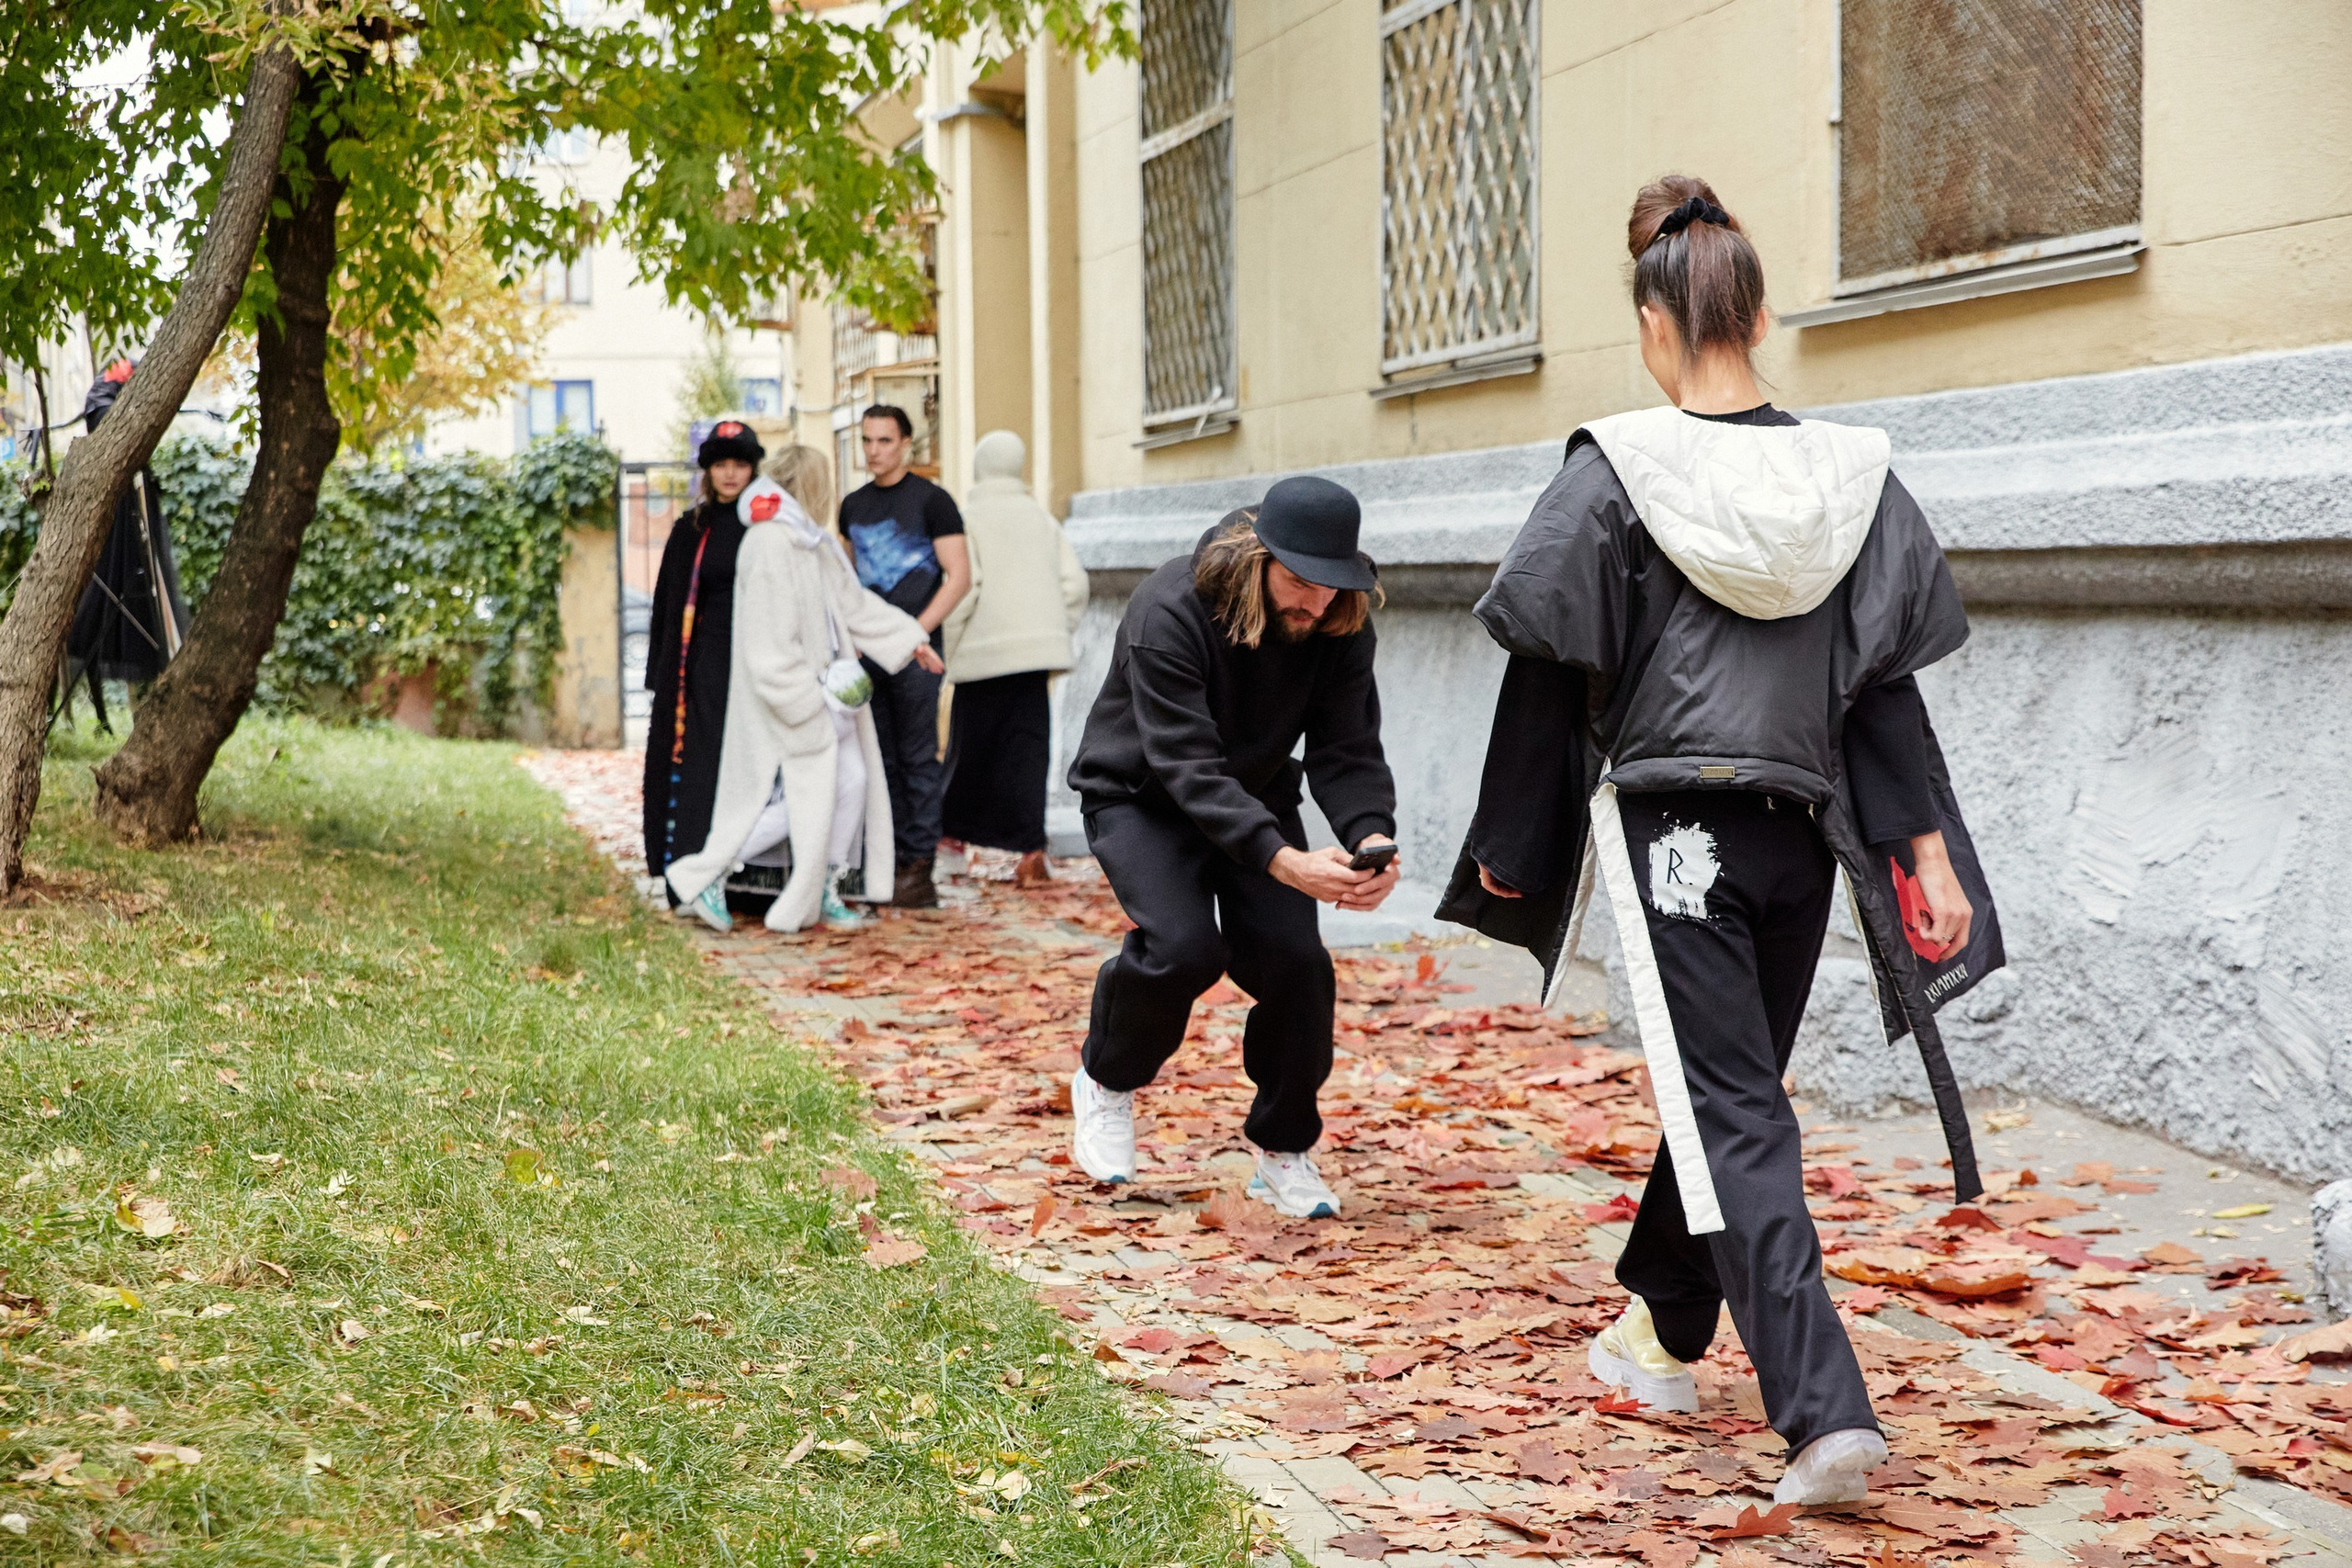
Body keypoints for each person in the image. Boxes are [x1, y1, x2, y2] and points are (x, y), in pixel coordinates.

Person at [1437, 176, 2005, 1508]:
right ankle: (1664, 1324)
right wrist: (1923, 852)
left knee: (1730, 1101)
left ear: (1655, 319)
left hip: (1674, 831)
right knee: (1730, 1087)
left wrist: (1510, 846)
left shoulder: (1617, 470)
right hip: (1808, 834)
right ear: (1757, 314)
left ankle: (1823, 1412)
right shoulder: (1849, 475)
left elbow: (1543, 662)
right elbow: (1880, 688)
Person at [1066, 478, 1400, 1220]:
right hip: (1142, 794)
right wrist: (1286, 861)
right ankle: (1105, 1078)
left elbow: (1347, 746)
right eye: (1299, 582)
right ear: (1259, 558)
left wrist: (1371, 835)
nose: (1314, 604)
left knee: (1297, 963)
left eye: (1332, 586)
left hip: (1254, 793)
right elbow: (1187, 766)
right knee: (1184, 947)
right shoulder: (1171, 609)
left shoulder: (1338, 622)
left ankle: (1283, 1150)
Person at [661, 446, 944, 933]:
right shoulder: (772, 541)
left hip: (831, 694)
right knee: (802, 798)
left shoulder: (810, 539)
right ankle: (706, 874)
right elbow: (768, 642)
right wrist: (804, 698)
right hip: (801, 696)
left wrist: (910, 640)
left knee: (850, 784)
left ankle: (826, 888)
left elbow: (852, 605)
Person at [940, 430, 1089, 886]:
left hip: (980, 658)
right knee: (1027, 753)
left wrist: (949, 645)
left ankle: (952, 842)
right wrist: (1051, 631)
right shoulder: (1042, 520)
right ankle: (1030, 851)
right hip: (1032, 659)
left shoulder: (968, 519)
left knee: (969, 752)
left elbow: (967, 587)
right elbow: (1075, 585)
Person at [837, 404, 969, 909]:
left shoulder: (933, 502)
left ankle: (919, 870)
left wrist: (914, 635)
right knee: (880, 759)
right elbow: (848, 587)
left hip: (917, 656)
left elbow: (959, 578)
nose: (874, 451)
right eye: (867, 441)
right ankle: (887, 862)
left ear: (907, 444)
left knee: (917, 758)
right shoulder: (852, 506)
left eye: (885, 441)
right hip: (868, 655)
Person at [642, 420, 763, 898]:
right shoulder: (689, 530)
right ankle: (686, 875)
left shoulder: (765, 527)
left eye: (739, 465)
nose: (730, 475)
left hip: (752, 664)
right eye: (720, 465)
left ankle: (744, 880)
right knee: (695, 767)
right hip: (698, 671)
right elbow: (666, 608)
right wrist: (663, 676)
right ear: (708, 472)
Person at [62, 358, 189, 731]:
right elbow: (100, 418)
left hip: (137, 508)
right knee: (96, 610)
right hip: (118, 511)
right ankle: (95, 713)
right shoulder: (107, 390)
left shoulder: (134, 379)